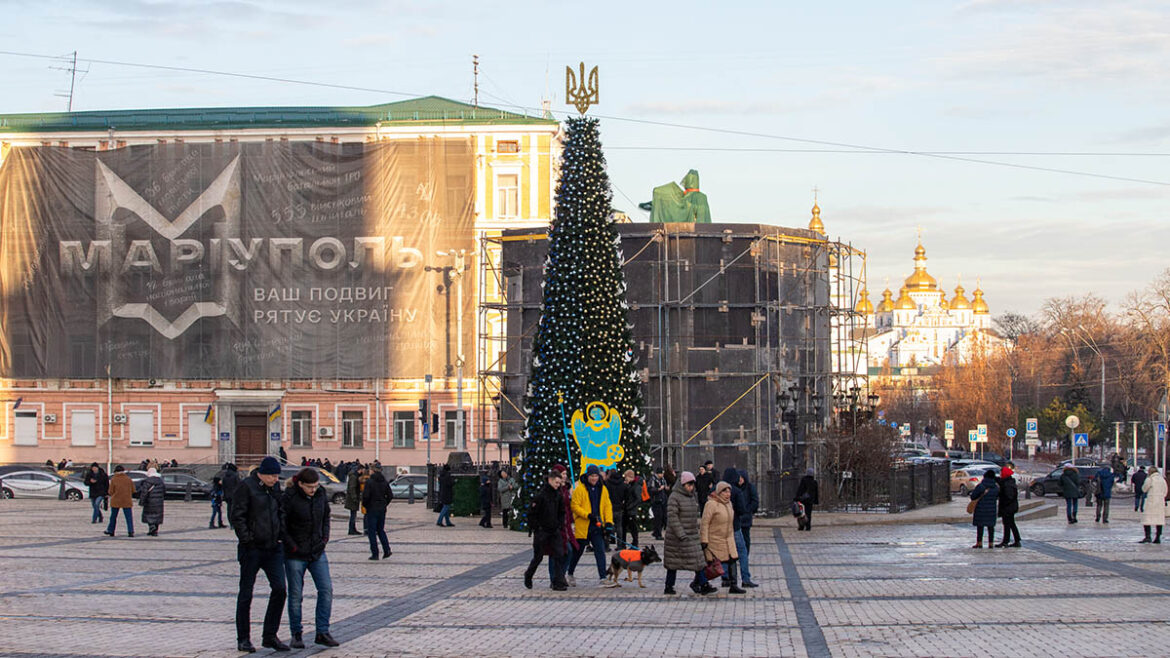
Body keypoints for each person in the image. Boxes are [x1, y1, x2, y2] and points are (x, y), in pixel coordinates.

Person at [231, 456, 289, 653]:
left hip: (273, 548)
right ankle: (244, 638)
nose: (275, 479)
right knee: (246, 593)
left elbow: (280, 511)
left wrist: (280, 535)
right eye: (272, 476)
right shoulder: (246, 487)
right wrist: (247, 539)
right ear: (262, 474)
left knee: (280, 589)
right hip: (252, 549)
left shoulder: (274, 489)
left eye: (276, 476)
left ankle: (270, 635)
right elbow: (236, 515)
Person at [281, 468, 339, 648]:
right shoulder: (289, 497)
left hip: (317, 551)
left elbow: (326, 517)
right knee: (296, 595)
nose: (313, 490)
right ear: (300, 484)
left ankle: (322, 631)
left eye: (315, 486)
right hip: (295, 554)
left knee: (326, 590)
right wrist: (293, 546)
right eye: (309, 487)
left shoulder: (320, 495)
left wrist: (325, 538)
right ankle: (296, 634)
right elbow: (282, 525)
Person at [663, 471, 714, 596]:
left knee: (698, 560)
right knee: (673, 563)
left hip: (691, 535)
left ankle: (703, 584)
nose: (691, 488)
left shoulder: (691, 497)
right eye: (688, 485)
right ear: (682, 484)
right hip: (677, 538)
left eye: (692, 485)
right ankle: (669, 586)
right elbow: (672, 517)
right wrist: (680, 533)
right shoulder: (674, 497)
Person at [568, 464, 616, 587]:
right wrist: (587, 515)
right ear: (588, 476)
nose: (594, 478)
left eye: (596, 476)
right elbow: (574, 506)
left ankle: (603, 577)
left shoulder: (602, 489)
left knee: (600, 551)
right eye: (592, 476)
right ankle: (570, 573)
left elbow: (607, 506)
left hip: (597, 526)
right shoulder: (580, 489)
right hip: (584, 525)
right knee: (578, 551)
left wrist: (609, 522)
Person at [523, 469, 569, 591]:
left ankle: (558, 581)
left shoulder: (558, 496)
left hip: (554, 530)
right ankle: (528, 574)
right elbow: (531, 514)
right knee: (538, 557)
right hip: (542, 531)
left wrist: (559, 525)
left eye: (559, 483)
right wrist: (537, 527)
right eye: (556, 482)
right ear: (550, 480)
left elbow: (562, 512)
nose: (558, 485)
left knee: (559, 555)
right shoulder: (541, 496)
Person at [701, 481, 743, 594]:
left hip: (728, 538)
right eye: (725, 491)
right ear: (719, 492)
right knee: (710, 563)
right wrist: (704, 540)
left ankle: (733, 585)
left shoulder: (729, 504)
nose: (728, 494)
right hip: (715, 539)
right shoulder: (711, 504)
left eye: (729, 491)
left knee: (733, 559)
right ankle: (699, 582)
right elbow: (705, 523)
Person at [722, 467, 757, 588]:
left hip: (721, 526)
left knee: (724, 552)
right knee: (742, 551)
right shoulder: (736, 491)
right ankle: (745, 578)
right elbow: (741, 509)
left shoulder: (717, 490)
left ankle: (725, 577)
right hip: (735, 525)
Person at [550, 464, 579, 586]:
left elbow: (568, 507)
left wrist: (571, 521)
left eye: (566, 474)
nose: (565, 476)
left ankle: (560, 575)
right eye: (563, 474)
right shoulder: (555, 490)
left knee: (570, 550)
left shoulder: (565, 489)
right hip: (556, 526)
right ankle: (555, 578)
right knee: (555, 553)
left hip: (566, 524)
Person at [362, 466, 393, 560]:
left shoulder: (369, 482)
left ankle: (375, 553)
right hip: (382, 509)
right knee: (380, 530)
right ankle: (387, 550)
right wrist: (384, 503)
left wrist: (366, 505)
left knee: (371, 532)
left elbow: (365, 496)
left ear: (373, 471)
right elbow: (390, 495)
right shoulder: (384, 481)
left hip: (372, 508)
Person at [969, 469, 999, 549]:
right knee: (991, 527)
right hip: (991, 510)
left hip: (980, 509)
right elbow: (997, 497)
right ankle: (991, 543)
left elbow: (973, 497)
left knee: (980, 526)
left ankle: (979, 543)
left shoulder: (981, 486)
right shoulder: (996, 487)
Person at [103, 465, 134, 537]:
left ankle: (111, 530)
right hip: (127, 500)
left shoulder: (114, 479)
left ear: (116, 472)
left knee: (113, 516)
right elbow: (133, 490)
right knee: (129, 517)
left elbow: (110, 491)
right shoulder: (128, 479)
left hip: (116, 500)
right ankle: (130, 531)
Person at [1140, 466, 1167, 544]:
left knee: (1147, 520)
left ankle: (1148, 537)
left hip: (1151, 501)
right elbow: (1165, 491)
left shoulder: (1150, 479)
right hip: (1160, 502)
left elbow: (1144, 489)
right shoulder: (1162, 480)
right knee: (1159, 520)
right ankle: (1158, 537)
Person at [996, 465, 1021, 547]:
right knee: (1011, 524)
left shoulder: (1007, 485)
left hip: (1008, 508)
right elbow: (1001, 481)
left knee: (1008, 524)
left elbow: (1009, 496)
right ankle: (1016, 540)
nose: (1000, 474)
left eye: (1001, 473)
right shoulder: (1008, 482)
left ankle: (1006, 541)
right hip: (1011, 507)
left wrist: (1003, 502)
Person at [137, 465, 165, 537]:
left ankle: (151, 528)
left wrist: (141, 502)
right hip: (159, 502)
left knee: (150, 516)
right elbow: (164, 491)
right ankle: (155, 530)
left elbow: (144, 492)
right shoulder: (161, 481)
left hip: (149, 502)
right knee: (157, 516)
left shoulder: (147, 481)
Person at [604, 468, 628, 547]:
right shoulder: (623, 484)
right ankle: (620, 544)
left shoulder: (607, 484)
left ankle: (607, 545)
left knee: (608, 526)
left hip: (609, 507)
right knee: (619, 527)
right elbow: (625, 496)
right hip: (619, 507)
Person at [738, 469, 759, 553]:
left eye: (741, 478)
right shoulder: (735, 488)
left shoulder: (750, 487)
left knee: (745, 536)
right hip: (737, 517)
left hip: (746, 517)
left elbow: (755, 501)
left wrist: (748, 510)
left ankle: (745, 554)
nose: (739, 480)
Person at [621, 469, 643, 549]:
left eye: (626, 478)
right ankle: (622, 543)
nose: (625, 480)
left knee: (633, 528)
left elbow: (638, 499)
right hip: (626, 509)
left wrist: (630, 506)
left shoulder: (636, 486)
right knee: (623, 527)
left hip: (631, 511)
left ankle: (635, 543)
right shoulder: (630, 485)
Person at [648, 467, 669, 540]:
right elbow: (650, 489)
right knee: (658, 518)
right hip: (656, 501)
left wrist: (666, 488)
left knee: (664, 517)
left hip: (663, 500)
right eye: (661, 473)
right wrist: (658, 489)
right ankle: (658, 534)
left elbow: (665, 486)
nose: (662, 475)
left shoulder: (663, 479)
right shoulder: (653, 479)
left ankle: (656, 532)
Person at [344, 464, 364, 535]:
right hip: (352, 499)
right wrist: (355, 498)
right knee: (353, 515)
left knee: (353, 515)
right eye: (362, 470)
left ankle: (353, 529)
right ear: (360, 469)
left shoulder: (355, 476)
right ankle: (351, 529)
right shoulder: (354, 477)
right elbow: (352, 488)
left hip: (352, 498)